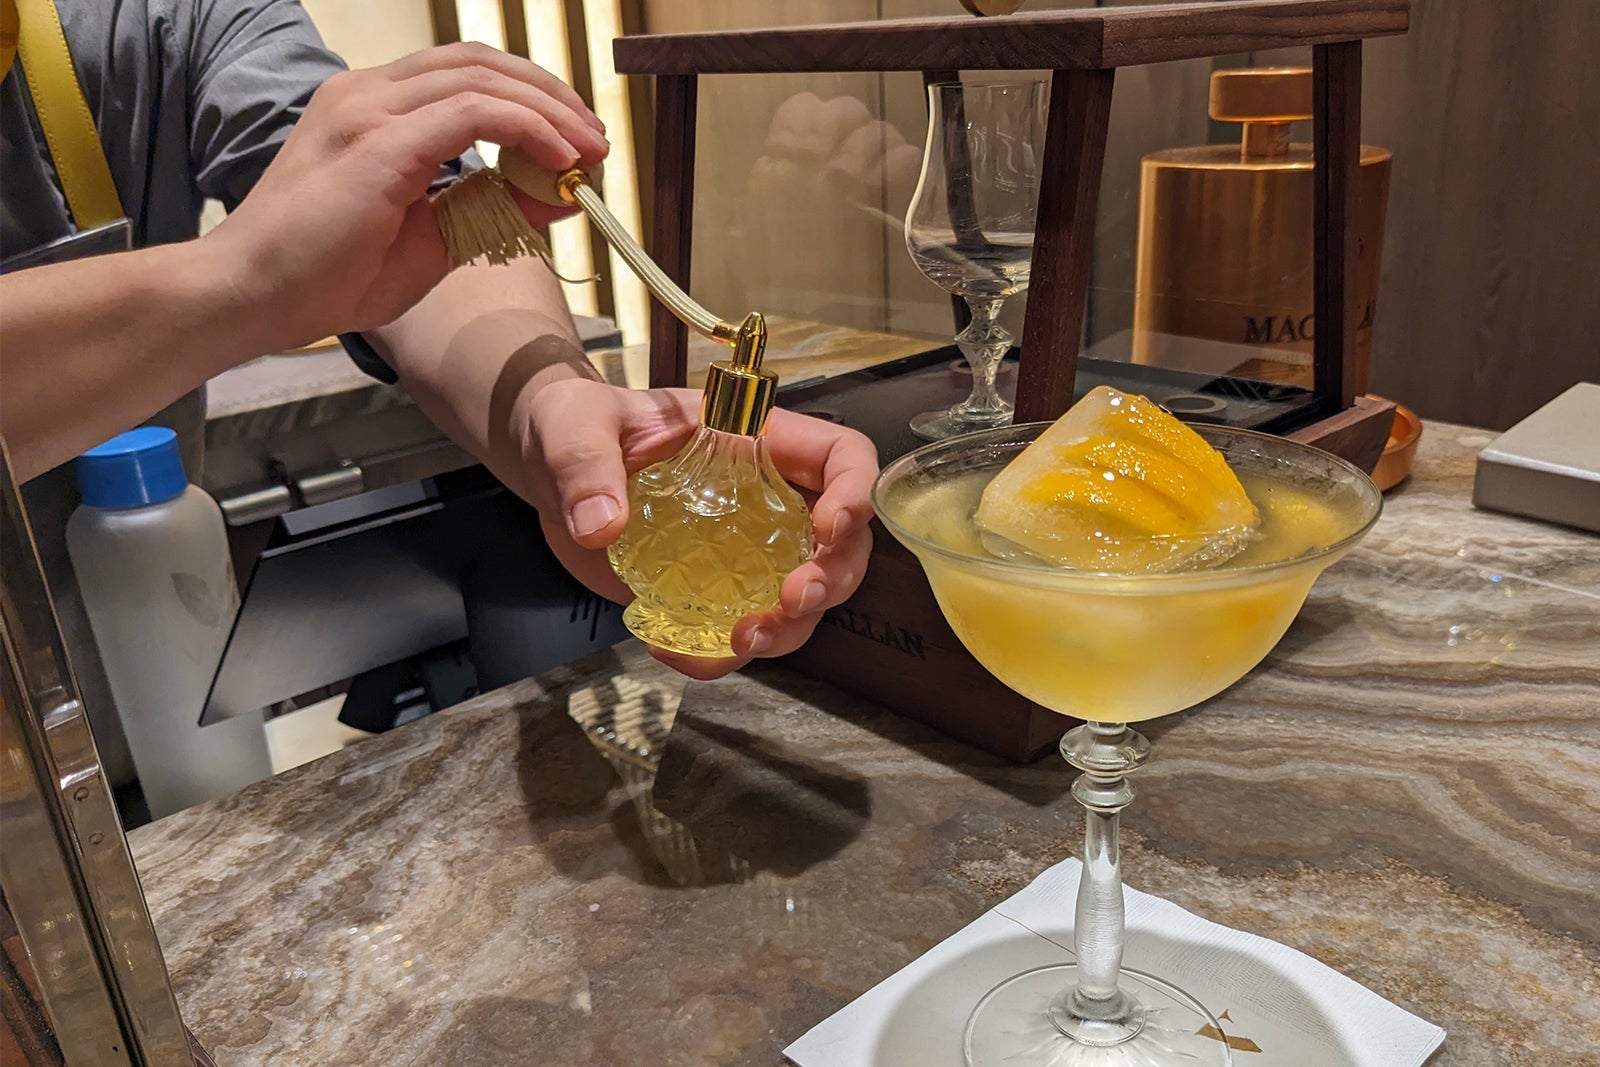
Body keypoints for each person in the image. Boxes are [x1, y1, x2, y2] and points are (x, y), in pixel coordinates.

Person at [0, 25, 877, 690]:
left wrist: (552, 407)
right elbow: (282, 264)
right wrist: (235, 282)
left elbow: (405, 233)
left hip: (128, 671)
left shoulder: (156, 16)